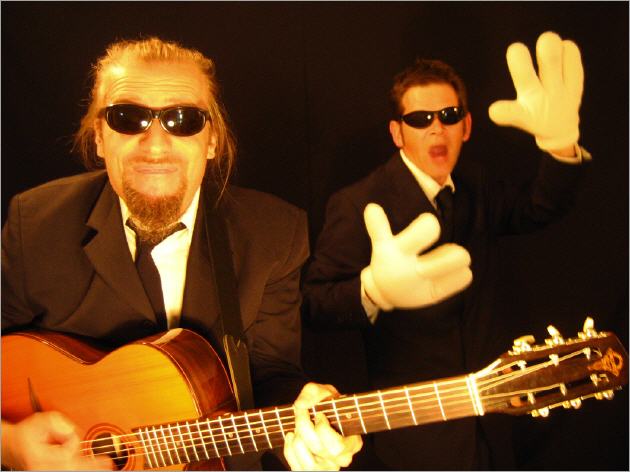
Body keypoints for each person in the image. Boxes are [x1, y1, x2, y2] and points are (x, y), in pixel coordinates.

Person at [1, 37, 362, 471]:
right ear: (99, 137)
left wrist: (306, 421)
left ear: (212, 141)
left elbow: (270, 374)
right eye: (127, 118)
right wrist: (11, 446)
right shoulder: (35, 224)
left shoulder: (274, 234)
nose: (155, 146)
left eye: (183, 120)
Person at [302, 31, 590, 469]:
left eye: (449, 115)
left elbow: (539, 207)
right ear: (397, 133)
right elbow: (314, 304)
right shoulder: (357, 202)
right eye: (420, 119)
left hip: (493, 420)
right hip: (416, 435)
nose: (436, 127)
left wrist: (561, 146)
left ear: (466, 126)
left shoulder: (477, 183)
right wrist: (372, 291)